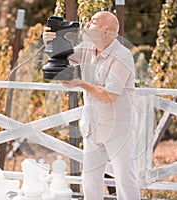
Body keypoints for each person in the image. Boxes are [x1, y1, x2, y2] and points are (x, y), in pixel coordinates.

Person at [43, 11, 140, 200]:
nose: (87, 24)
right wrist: (50, 41)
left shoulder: (122, 56)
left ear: (106, 31)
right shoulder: (86, 48)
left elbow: (110, 95)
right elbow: (62, 60)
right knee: (90, 180)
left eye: (93, 22)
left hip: (118, 128)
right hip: (92, 126)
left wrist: (80, 83)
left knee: (124, 180)